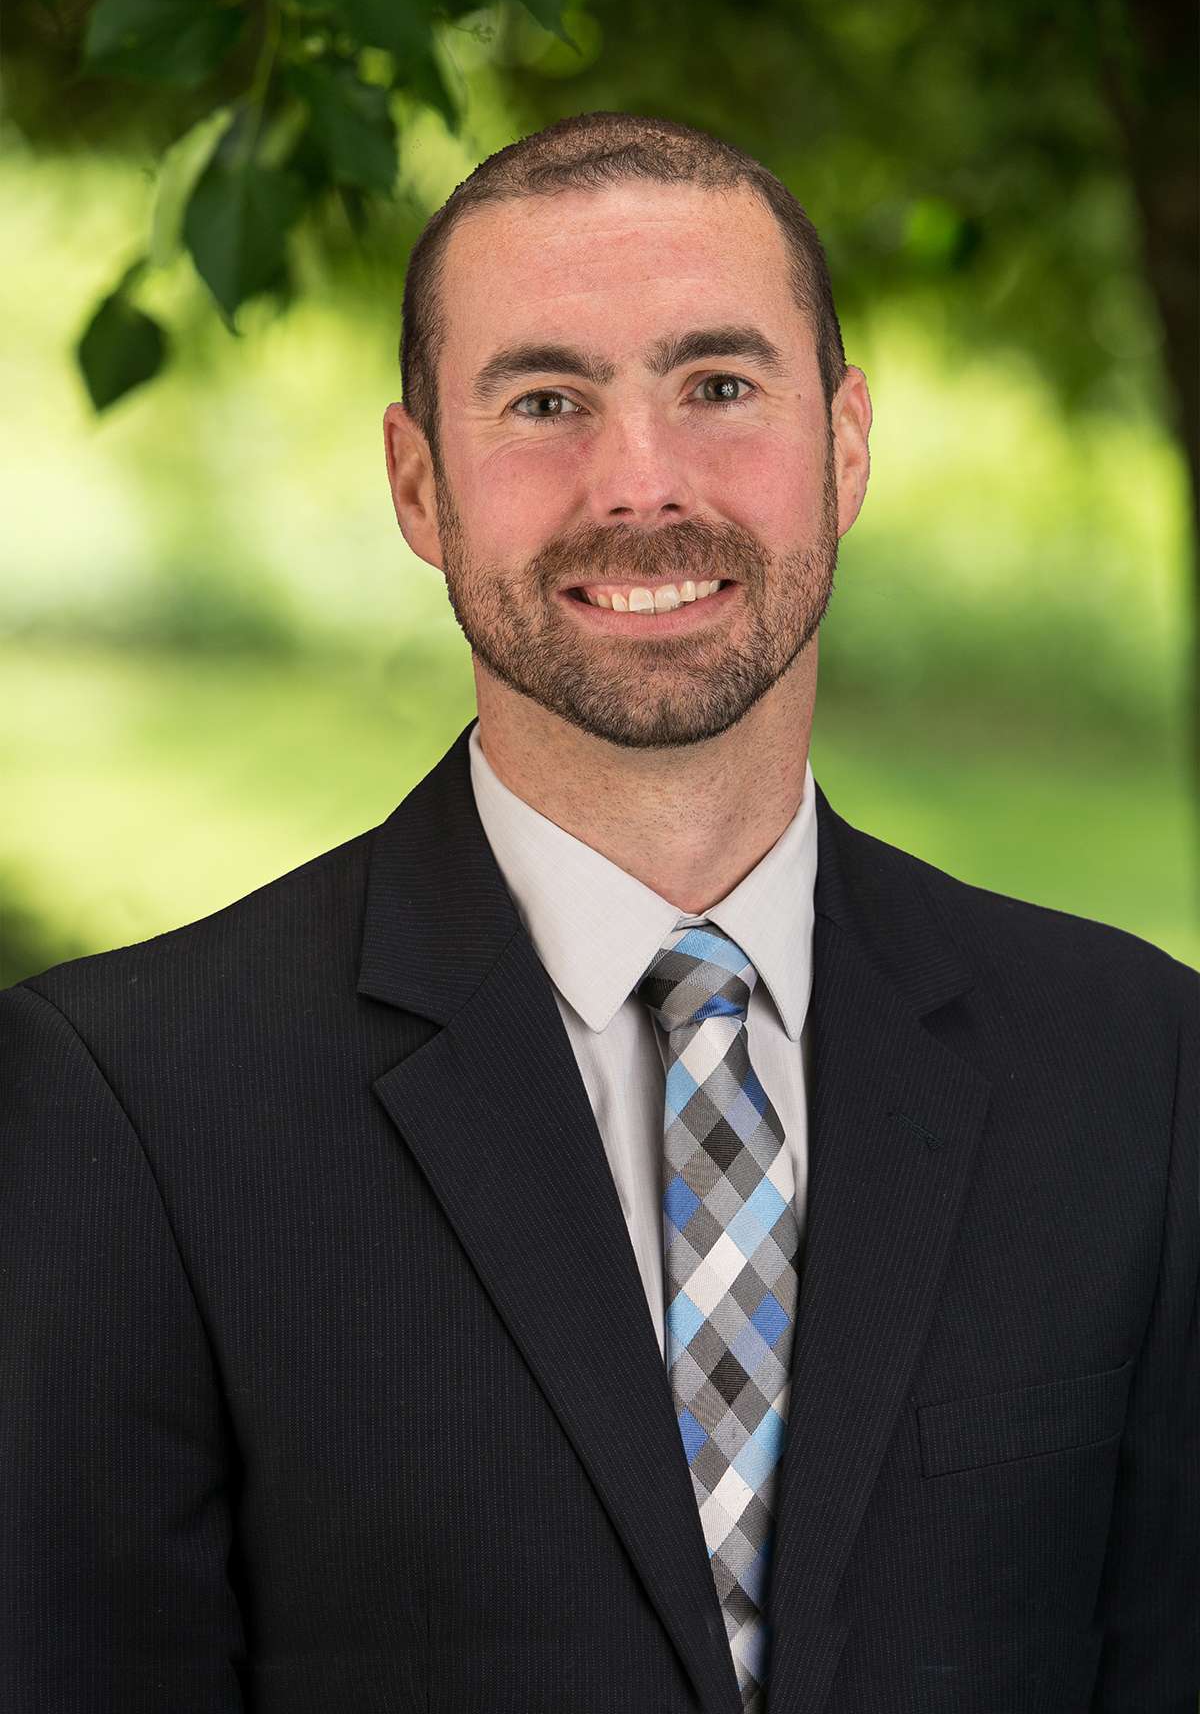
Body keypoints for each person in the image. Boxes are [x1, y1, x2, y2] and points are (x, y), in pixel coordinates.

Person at [1, 111, 1195, 1714]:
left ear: (845, 447)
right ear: (421, 484)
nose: (640, 484)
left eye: (717, 387)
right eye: (546, 400)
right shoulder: (125, 1102)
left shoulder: (1139, 1064)